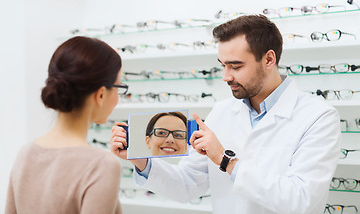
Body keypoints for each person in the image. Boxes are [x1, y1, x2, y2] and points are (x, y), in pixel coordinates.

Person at [110, 14, 341, 214]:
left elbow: (300, 199)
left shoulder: (318, 117)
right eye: (222, 65)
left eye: (236, 66)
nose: (226, 76)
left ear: (269, 59)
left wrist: (225, 160)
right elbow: (187, 184)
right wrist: (141, 161)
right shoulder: (222, 112)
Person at [5, 36, 127, 214]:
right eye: (119, 87)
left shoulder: (26, 153)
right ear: (101, 95)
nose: (118, 97)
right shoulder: (102, 165)